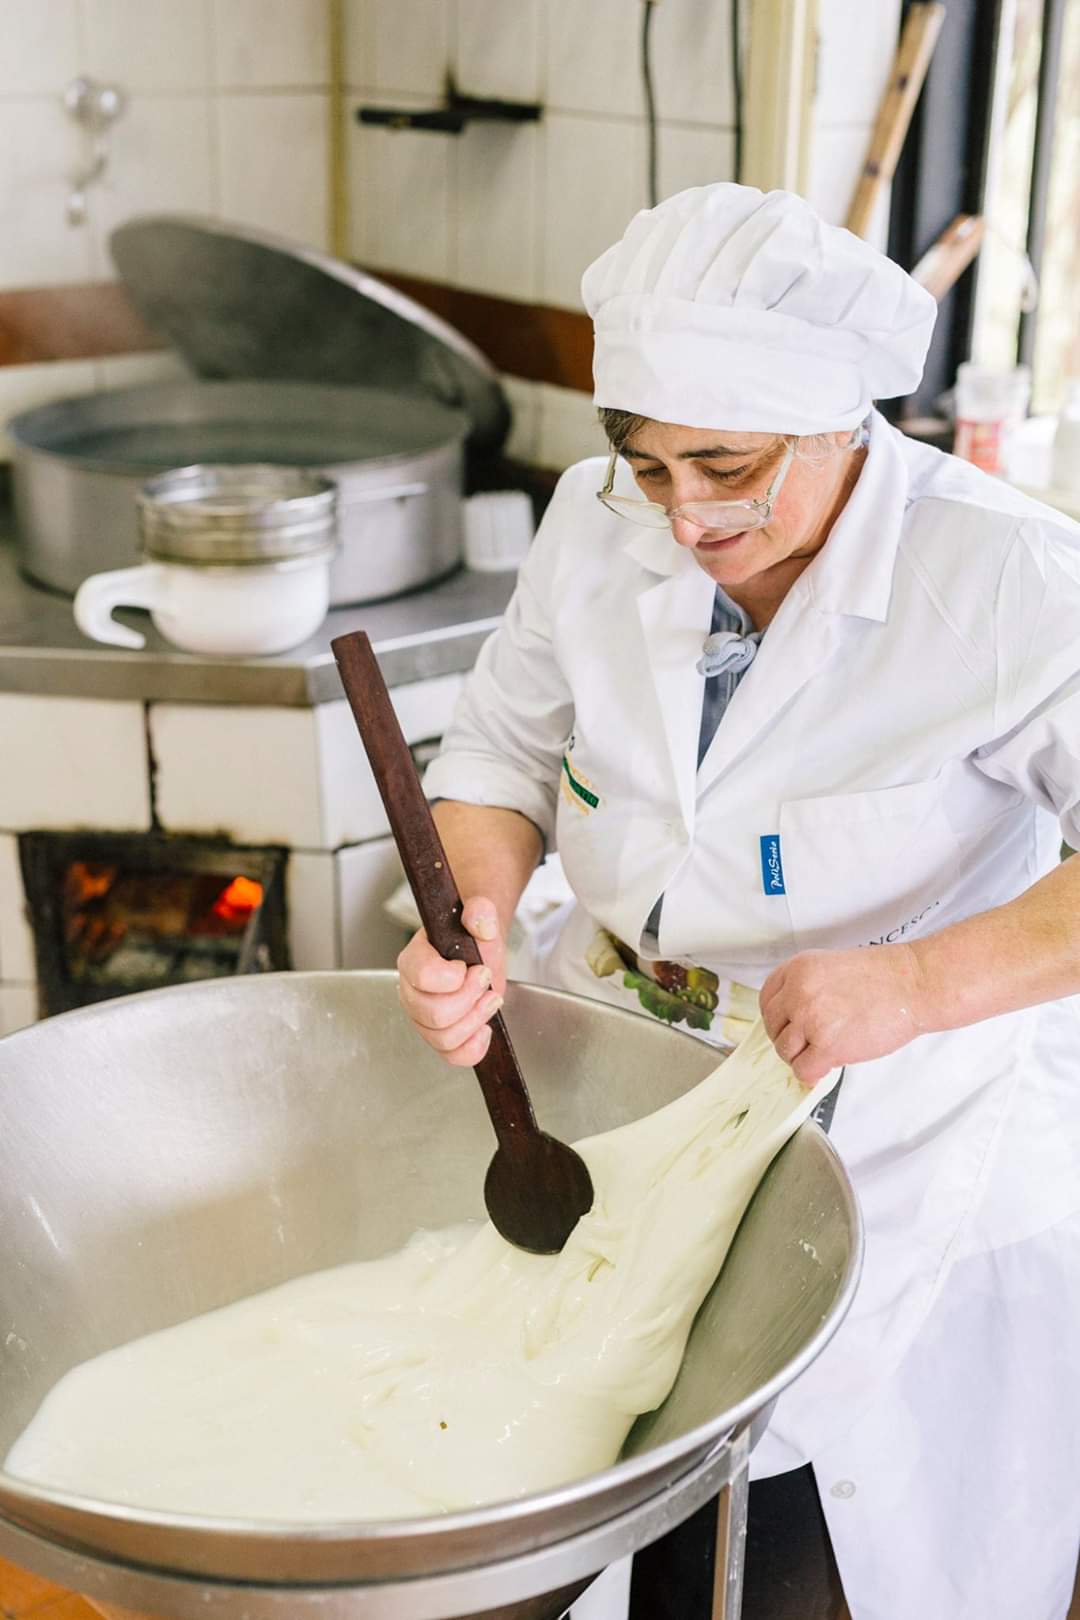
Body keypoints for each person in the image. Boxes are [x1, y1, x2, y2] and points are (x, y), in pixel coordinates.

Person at [398, 183, 1080, 1620]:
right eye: (648, 466)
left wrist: (915, 985)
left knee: (810, 1547)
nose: (687, 515)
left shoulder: (1010, 580)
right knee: (590, 1470)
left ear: (844, 427)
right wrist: (469, 905)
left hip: (901, 1133)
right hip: (615, 1077)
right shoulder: (598, 526)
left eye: (729, 466)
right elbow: (504, 751)